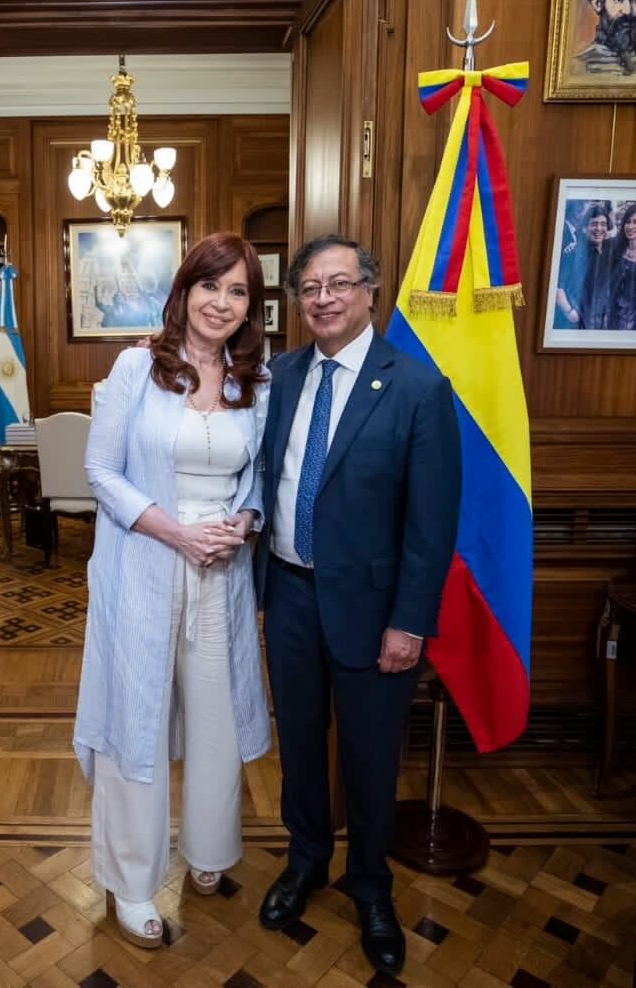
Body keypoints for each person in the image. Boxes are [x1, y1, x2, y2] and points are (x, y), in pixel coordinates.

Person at [257, 234, 461, 976]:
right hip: (288, 596)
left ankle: (371, 886)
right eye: (309, 287)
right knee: (301, 747)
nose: (323, 299)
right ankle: (306, 859)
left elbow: (431, 523)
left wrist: (409, 620)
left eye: (339, 283)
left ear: (370, 290)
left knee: (371, 761)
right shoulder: (279, 375)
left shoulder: (416, 387)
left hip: (376, 615)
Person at [75, 232, 272, 950]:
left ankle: (210, 850)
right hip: (146, 564)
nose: (221, 302)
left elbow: (258, 475)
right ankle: (131, 881)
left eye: (238, 291)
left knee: (216, 716)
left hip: (223, 571)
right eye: (210, 286)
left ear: (251, 306)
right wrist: (177, 533)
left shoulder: (259, 379)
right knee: (141, 719)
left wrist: (244, 521)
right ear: (185, 291)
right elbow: (103, 473)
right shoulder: (136, 368)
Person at [587, 202, 636, 331]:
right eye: (628, 222)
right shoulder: (613, 246)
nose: (630, 226)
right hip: (612, 314)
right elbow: (593, 242)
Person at [554, 202, 611, 328]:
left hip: (598, 323)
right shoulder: (572, 252)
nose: (599, 229)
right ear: (585, 228)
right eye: (594, 224)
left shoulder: (609, 253)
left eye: (603, 224)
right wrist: (570, 313)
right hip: (574, 322)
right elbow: (558, 287)